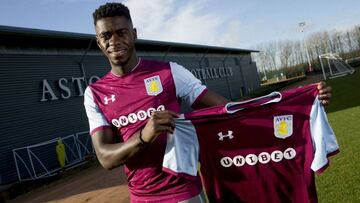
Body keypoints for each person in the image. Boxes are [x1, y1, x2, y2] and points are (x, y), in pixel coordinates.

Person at [84, 2, 332, 203]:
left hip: (185, 193)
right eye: (106, 35)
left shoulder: (169, 72)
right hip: (141, 197)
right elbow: (106, 158)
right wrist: (144, 135)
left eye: (121, 32)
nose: (114, 40)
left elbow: (229, 112)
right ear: (98, 42)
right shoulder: (94, 93)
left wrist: (298, 104)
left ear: (134, 34)